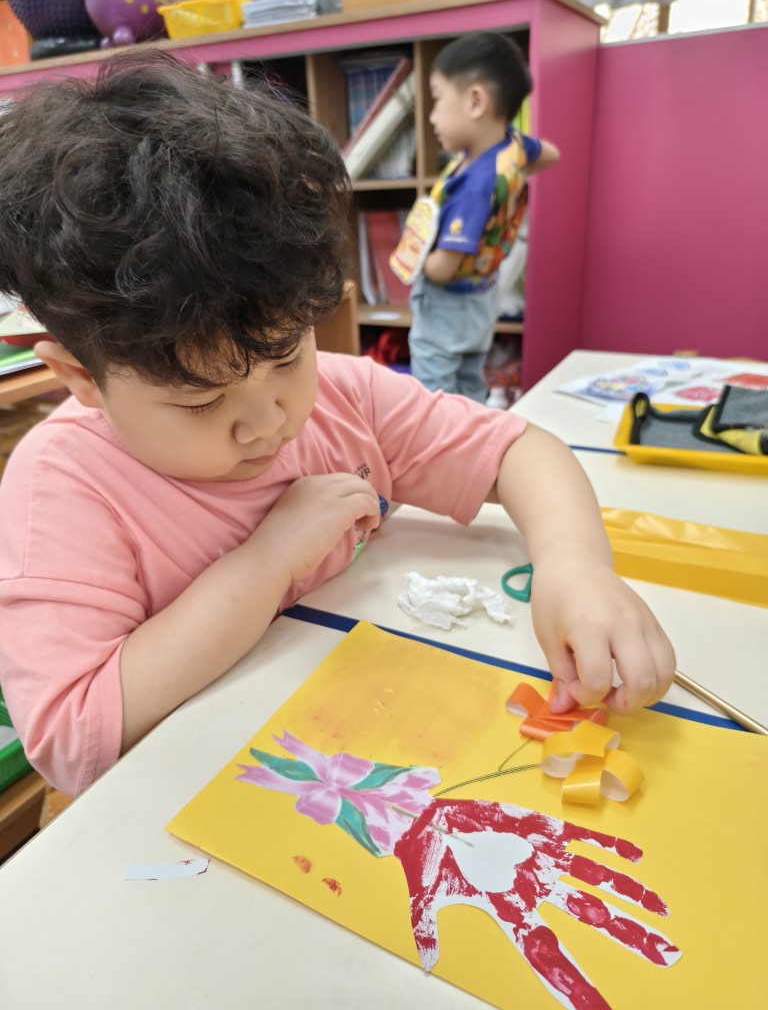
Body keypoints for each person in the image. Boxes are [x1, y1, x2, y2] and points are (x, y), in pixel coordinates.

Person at [0, 53, 674, 798]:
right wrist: (269, 561)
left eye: (287, 356)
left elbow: (521, 449)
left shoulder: (346, 397)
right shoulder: (62, 488)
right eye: (201, 403)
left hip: (369, 735)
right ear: (79, 377)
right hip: (186, 804)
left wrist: (575, 566)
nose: (268, 423)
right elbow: (71, 741)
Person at [391, 32, 560, 402]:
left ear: (475, 101)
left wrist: (416, 258)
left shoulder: (473, 187)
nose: (431, 116)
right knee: (470, 378)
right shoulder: (513, 147)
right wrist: (513, 180)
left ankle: (441, 437)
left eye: (437, 100)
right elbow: (551, 154)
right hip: (483, 294)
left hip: (448, 303)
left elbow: (443, 268)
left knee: (435, 391)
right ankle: (474, 426)